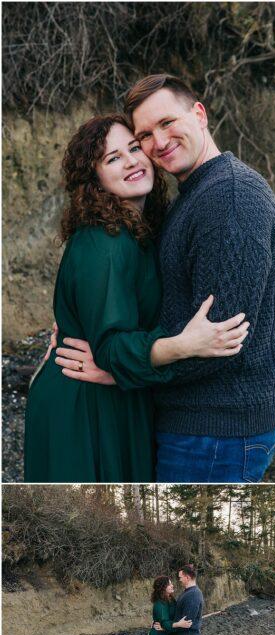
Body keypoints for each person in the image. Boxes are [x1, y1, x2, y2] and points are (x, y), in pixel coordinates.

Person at [58, 74, 275, 483]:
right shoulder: (196, 194)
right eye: (145, 134)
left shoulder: (229, 199)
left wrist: (120, 369)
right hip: (199, 424)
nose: (158, 141)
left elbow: (219, 341)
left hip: (215, 430)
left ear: (198, 114)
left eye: (167, 123)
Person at [24, 114, 248, 482]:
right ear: (93, 179)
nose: (131, 161)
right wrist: (182, 345)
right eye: (112, 158)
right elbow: (111, 347)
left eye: (133, 148)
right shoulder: (106, 243)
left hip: (113, 395)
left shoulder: (139, 230)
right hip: (84, 406)